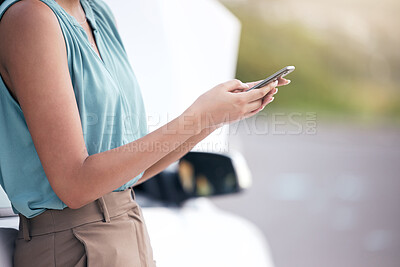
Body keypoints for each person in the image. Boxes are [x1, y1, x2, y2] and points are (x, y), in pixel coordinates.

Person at [0, 0, 289, 266]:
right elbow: (75, 186)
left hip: (128, 230)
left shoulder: (95, 11)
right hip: (74, 245)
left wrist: (212, 119)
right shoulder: (30, 18)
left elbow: (129, 174)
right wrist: (198, 115)